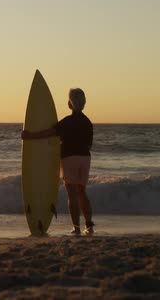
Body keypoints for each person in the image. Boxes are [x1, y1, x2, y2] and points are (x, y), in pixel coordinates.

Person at [21, 88, 94, 235]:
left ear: (69, 104)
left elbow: (50, 132)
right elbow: (89, 144)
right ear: (84, 104)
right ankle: (89, 226)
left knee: (72, 193)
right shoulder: (88, 123)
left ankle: (77, 228)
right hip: (85, 158)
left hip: (69, 158)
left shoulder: (68, 121)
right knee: (82, 192)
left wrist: (30, 136)